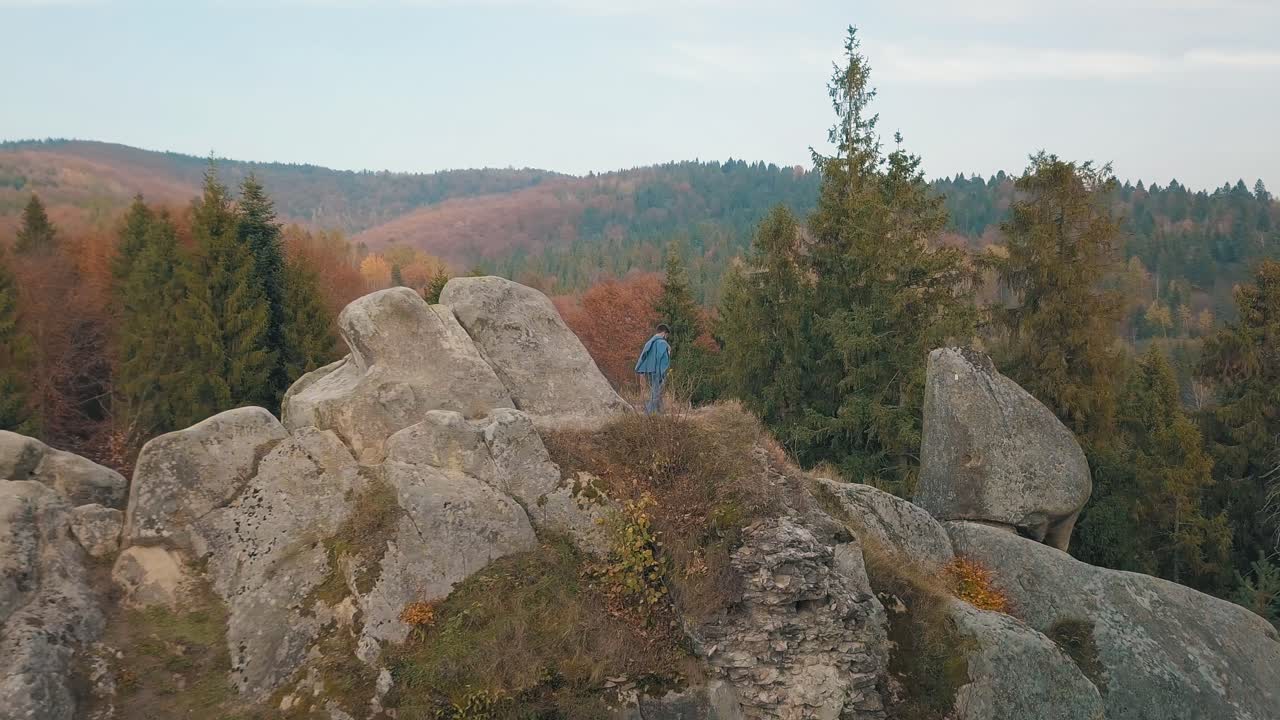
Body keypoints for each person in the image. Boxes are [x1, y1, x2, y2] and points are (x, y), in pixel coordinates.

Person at [634, 323, 671, 414]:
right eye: (666, 335)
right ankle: (650, 413)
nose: (666, 337)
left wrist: (640, 369)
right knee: (657, 392)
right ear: (664, 333)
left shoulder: (649, 342)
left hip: (650, 370)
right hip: (658, 371)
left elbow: (643, 356)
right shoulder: (662, 343)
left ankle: (658, 411)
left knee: (655, 392)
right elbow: (664, 359)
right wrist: (669, 351)